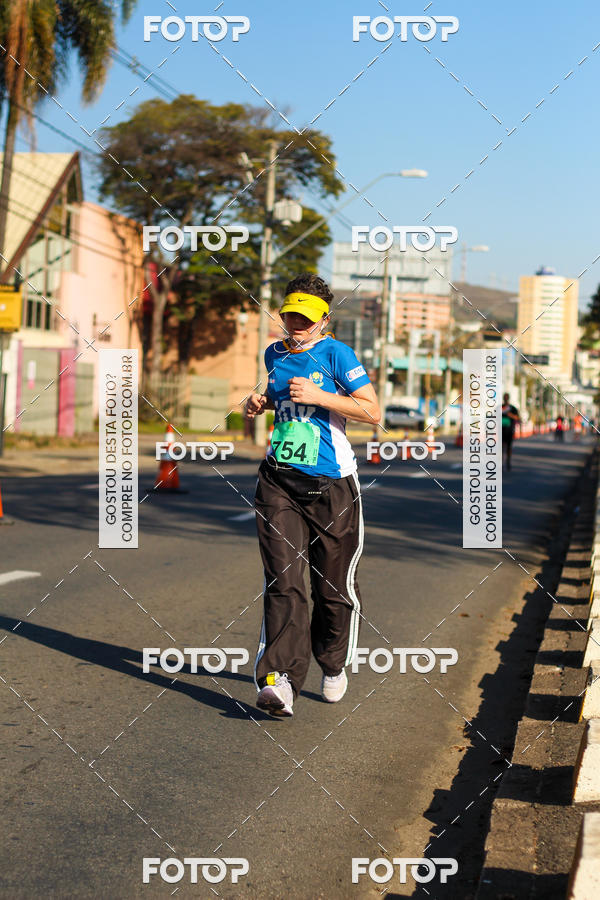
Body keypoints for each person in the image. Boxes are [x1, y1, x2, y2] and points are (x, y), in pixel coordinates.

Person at [245, 273, 381, 718]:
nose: (296, 324)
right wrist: (259, 401)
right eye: (290, 316)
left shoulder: (338, 354)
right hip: (279, 480)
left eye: (305, 318)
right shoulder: (273, 352)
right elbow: (277, 394)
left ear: (323, 319)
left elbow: (371, 411)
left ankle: (333, 661)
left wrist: (323, 396)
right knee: (283, 581)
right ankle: (280, 680)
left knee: (331, 588)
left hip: (332, 485)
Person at [501, 393, 520, 471]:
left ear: (508, 398)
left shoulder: (512, 408)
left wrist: (510, 415)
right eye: (504, 398)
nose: (505, 399)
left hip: (509, 430)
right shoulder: (500, 407)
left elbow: (517, 417)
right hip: (501, 430)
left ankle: (508, 461)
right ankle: (501, 463)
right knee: (501, 448)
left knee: (508, 447)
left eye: (506, 398)